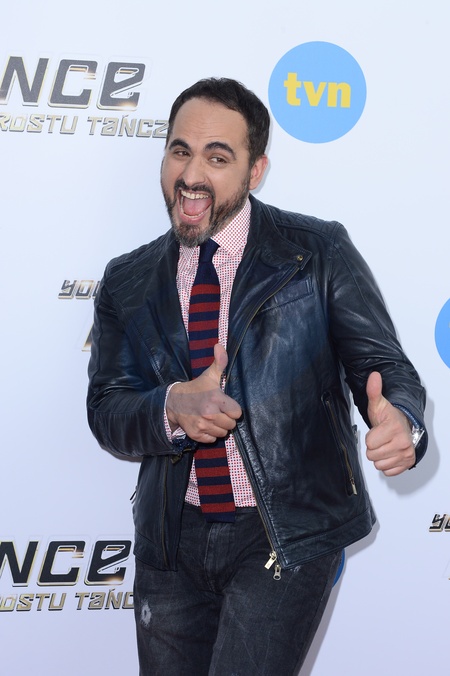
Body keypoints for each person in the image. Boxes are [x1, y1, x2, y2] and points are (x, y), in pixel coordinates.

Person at [87, 77, 427, 675]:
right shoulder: (126, 279)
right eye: (180, 151)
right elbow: (108, 410)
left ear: (256, 170)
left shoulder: (315, 251)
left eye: (218, 157)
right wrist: (171, 407)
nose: (192, 175)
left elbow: (385, 367)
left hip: (283, 532)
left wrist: (402, 419)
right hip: (170, 540)